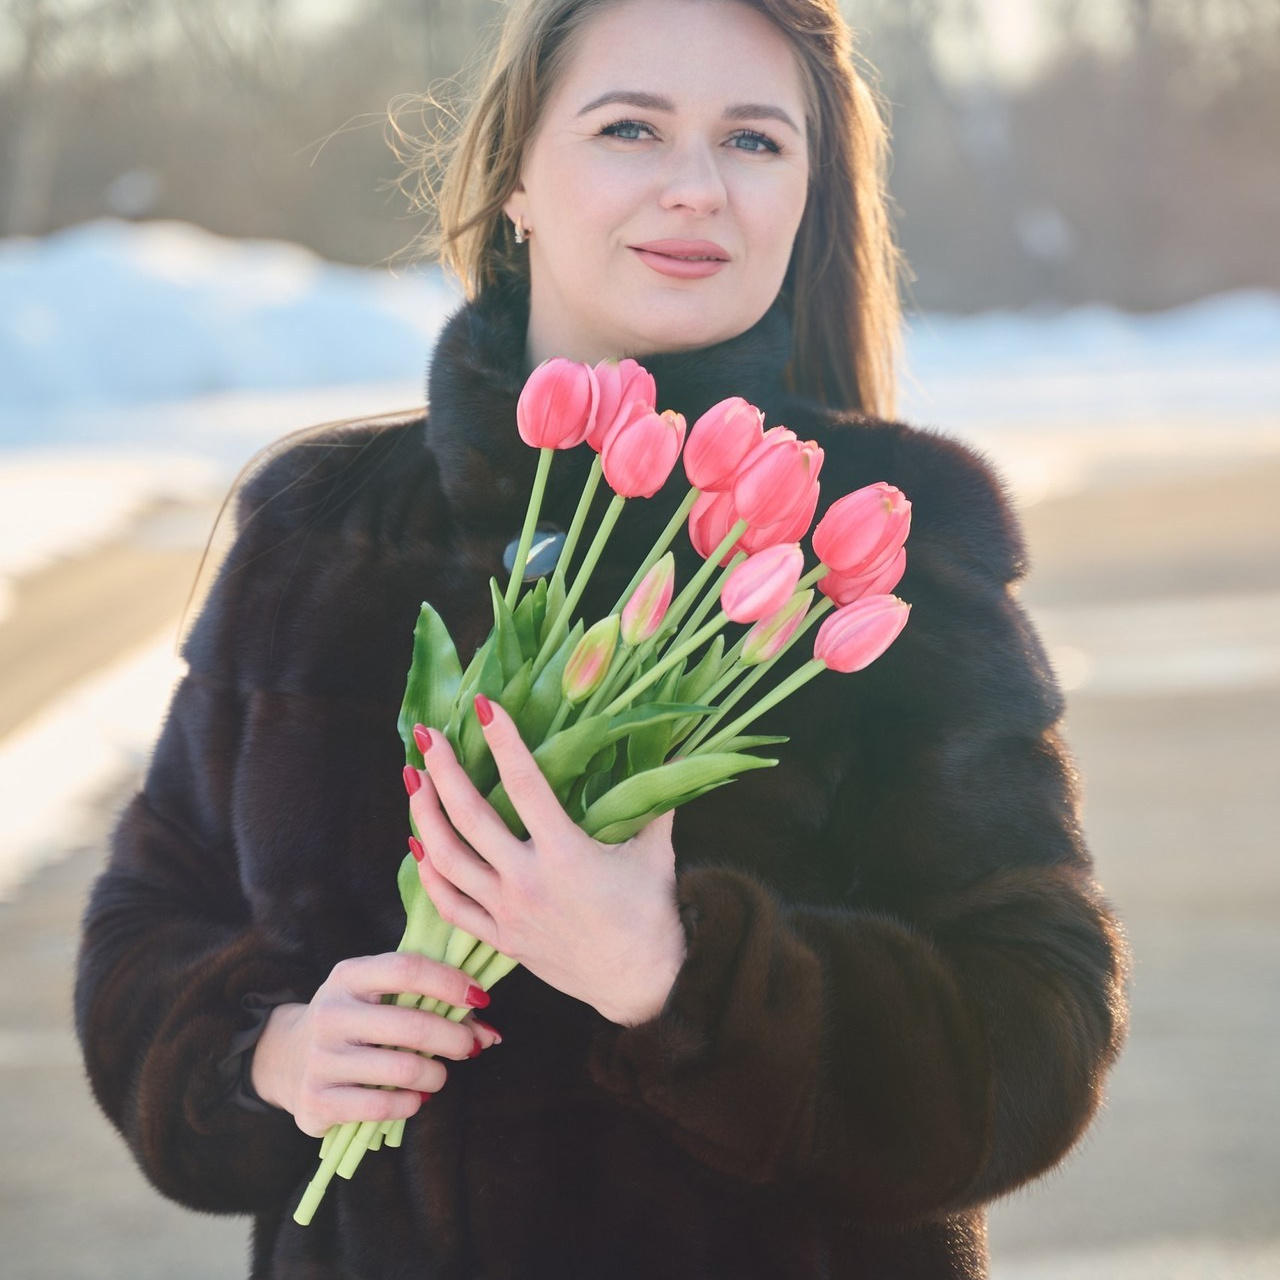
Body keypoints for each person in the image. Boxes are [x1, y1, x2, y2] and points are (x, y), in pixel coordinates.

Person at [75, 1, 1129, 1277]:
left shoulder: (885, 544)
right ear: (516, 175)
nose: (693, 188)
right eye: (630, 127)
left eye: (753, 143)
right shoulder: (321, 534)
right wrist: (265, 1052)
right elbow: (146, 921)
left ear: (809, 196)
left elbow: (1035, 1028)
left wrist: (678, 974)